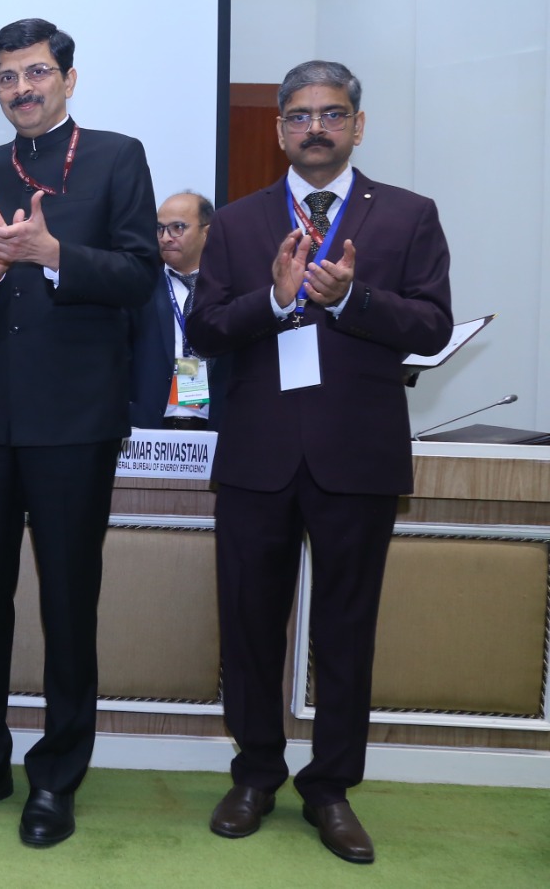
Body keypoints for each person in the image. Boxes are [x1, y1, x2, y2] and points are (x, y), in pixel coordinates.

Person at [186, 61, 452, 864]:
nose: (315, 128)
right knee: (249, 627)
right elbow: (203, 331)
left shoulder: (407, 216)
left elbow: (433, 326)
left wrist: (350, 299)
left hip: (358, 457)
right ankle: (256, 774)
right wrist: (275, 300)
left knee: (345, 632)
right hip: (258, 456)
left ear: (357, 126)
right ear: (279, 130)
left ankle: (331, 787)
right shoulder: (237, 222)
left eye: (332, 114)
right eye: (299, 116)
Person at [0, 19, 159, 846]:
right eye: (5, 76)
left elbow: (139, 275)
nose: (20, 89)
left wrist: (52, 251)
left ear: (67, 77)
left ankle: (57, 777)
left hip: (75, 419)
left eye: (34, 73)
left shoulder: (118, 158)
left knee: (67, 605)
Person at [128, 191, 228, 430]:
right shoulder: (140, 288)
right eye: (160, 229)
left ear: (207, 232)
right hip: (151, 429)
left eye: (177, 228)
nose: (165, 238)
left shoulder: (230, 288)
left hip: (218, 427)